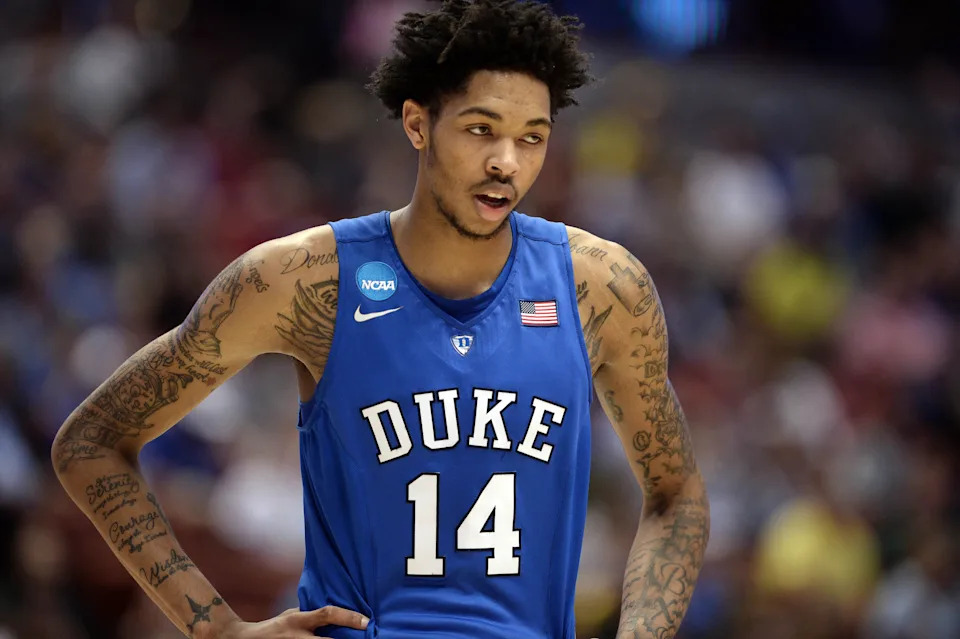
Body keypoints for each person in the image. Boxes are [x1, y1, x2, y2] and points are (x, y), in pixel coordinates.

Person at [51, 1, 709, 637]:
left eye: (530, 138)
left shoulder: (601, 285)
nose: (506, 162)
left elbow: (676, 495)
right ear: (418, 124)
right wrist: (217, 625)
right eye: (481, 129)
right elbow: (90, 444)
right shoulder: (303, 279)